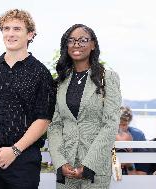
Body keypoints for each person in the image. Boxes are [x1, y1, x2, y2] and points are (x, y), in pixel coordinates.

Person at [0, 9, 55, 189]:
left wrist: (14, 151)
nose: (10, 34)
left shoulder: (41, 73)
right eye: (6, 29)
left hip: (23, 162)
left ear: (30, 34)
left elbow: (44, 118)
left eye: (17, 29)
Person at [47, 24, 122, 189]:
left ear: (93, 45)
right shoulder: (61, 81)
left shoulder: (107, 78)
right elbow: (55, 125)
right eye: (71, 41)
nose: (76, 45)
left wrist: (88, 165)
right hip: (67, 168)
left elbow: (110, 124)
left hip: (95, 168)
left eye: (83, 40)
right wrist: (60, 162)